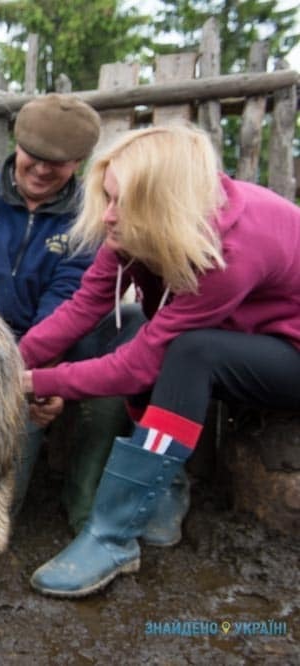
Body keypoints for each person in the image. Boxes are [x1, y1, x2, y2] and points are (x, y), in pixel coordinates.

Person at [22, 124, 300, 598]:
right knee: (142, 326)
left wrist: (33, 381)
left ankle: (111, 536)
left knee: (188, 351)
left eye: (120, 203)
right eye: (106, 198)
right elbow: (82, 307)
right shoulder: (135, 227)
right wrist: (10, 362)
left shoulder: (231, 249)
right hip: (240, 334)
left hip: (289, 353)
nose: (107, 216)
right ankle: (165, 481)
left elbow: (138, 368)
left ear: (161, 202)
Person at [0, 93, 148, 531]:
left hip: (47, 342)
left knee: (130, 325)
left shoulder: (89, 218)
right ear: (17, 145)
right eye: (36, 156)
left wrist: (40, 379)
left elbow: (69, 305)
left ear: (79, 163)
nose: (43, 169)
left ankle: (84, 489)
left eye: (59, 162)